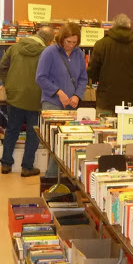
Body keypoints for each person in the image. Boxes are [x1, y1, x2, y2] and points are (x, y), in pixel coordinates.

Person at [0, 26, 55, 177]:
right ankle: (27, 167)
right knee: (33, 133)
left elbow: (2, 67)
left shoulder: (15, 47)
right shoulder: (48, 53)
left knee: (12, 130)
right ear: (49, 41)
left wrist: (8, 83)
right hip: (36, 97)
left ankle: (5, 163)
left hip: (15, 95)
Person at [35, 22, 88, 178]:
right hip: (52, 104)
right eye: (68, 42)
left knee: (69, 144)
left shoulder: (78, 54)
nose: (71, 46)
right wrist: (59, 92)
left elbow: (83, 79)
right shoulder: (49, 52)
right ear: (61, 38)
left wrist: (77, 95)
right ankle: (51, 179)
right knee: (56, 145)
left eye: (74, 42)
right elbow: (40, 78)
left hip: (72, 105)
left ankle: (60, 180)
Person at [87, 13, 133, 114]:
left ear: (113, 26)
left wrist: (102, 81)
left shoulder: (102, 44)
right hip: (129, 100)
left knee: (104, 128)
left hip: (106, 99)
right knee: (126, 129)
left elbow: (92, 71)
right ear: (129, 26)